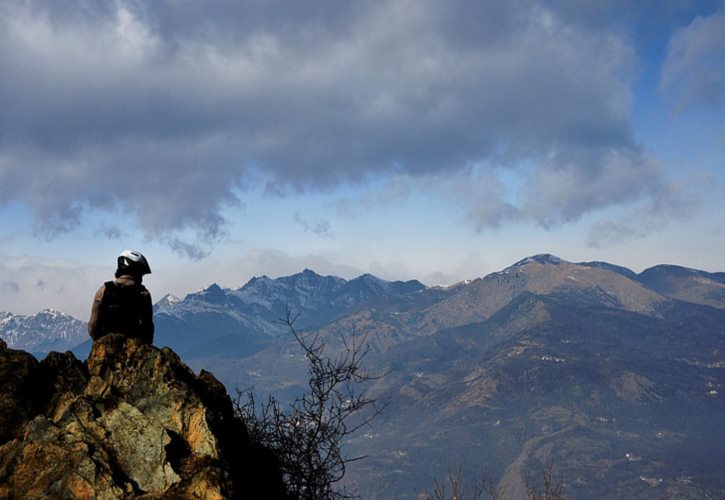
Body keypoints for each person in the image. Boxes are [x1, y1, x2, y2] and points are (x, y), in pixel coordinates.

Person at [88, 250, 154, 344]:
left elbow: (93, 325)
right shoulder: (144, 294)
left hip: (106, 350)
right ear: (136, 271)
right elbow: (148, 329)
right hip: (135, 351)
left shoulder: (104, 290)